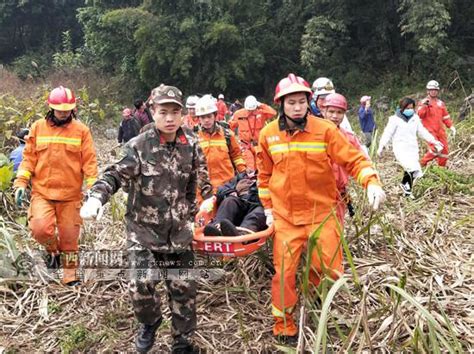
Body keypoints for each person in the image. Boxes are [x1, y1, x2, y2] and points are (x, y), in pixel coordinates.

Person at [256, 73, 385, 342]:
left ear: (309, 102)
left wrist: (371, 182)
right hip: (286, 218)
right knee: (284, 273)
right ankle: (284, 324)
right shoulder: (268, 135)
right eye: (290, 102)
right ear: (281, 103)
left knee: (328, 269)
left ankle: (314, 303)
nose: (297, 107)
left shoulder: (325, 130)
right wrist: (267, 209)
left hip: (321, 214)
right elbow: (264, 176)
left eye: (301, 101)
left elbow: (353, 160)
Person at [80, 84, 201, 354]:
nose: (169, 118)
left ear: (182, 114)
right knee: (141, 286)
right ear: (152, 112)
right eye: (163, 112)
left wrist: (192, 212)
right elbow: (114, 175)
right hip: (144, 233)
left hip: (179, 234)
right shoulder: (138, 146)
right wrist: (96, 197)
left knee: (184, 291)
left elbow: (193, 181)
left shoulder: (191, 144)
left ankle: (182, 343)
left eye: (174, 112)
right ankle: (150, 321)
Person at [13, 86, 98, 285]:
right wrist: (21, 183)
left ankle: (70, 276)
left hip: (70, 196)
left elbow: (90, 162)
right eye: (60, 110)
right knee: (39, 229)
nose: (64, 113)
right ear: (51, 108)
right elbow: (28, 160)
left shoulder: (81, 131)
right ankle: (53, 251)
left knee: (70, 238)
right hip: (42, 193)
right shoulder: (37, 128)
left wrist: (94, 191)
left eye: (68, 109)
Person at [378, 97, 443, 198]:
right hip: (400, 148)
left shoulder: (415, 119)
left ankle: (407, 192)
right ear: (402, 108)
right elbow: (387, 133)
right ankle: (405, 186)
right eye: (407, 108)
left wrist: (434, 141)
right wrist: (381, 145)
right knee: (410, 167)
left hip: (412, 148)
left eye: (411, 108)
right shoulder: (394, 120)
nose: (410, 110)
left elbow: (422, 132)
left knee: (414, 170)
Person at [322, 93, 366, 224]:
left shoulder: (349, 137)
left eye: (339, 112)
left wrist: (371, 183)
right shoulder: (312, 136)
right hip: (317, 194)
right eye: (331, 111)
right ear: (323, 111)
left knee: (336, 232)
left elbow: (361, 160)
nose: (335, 116)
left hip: (338, 194)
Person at [194, 95, 247, 195]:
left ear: (215, 115)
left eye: (209, 116)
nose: (206, 120)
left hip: (227, 186)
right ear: (198, 118)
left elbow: (237, 156)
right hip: (204, 189)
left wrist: (243, 173)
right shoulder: (194, 138)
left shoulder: (227, 135)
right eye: (203, 117)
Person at [203, 171, 266, 236]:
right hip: (240, 204)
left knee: (258, 212)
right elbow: (222, 189)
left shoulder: (267, 178)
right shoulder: (242, 176)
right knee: (229, 200)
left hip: (259, 204)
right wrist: (231, 193)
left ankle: (242, 234)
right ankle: (217, 228)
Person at [229, 95, 276, 170]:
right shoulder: (238, 114)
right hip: (245, 144)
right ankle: (250, 179)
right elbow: (230, 126)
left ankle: (259, 179)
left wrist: (261, 105)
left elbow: (273, 113)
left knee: (260, 165)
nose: (250, 111)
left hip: (258, 144)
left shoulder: (261, 113)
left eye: (252, 110)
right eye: (249, 110)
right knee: (249, 165)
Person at [417, 80, 456, 167]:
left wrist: (451, 126)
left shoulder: (440, 103)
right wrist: (424, 106)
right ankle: (421, 164)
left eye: (435, 90)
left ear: (437, 91)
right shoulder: (423, 102)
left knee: (445, 152)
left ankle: (441, 170)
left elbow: (445, 117)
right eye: (431, 90)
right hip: (429, 131)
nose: (433, 91)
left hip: (440, 131)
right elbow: (420, 115)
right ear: (428, 91)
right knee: (436, 148)